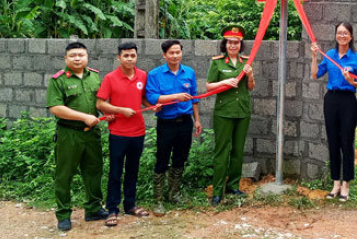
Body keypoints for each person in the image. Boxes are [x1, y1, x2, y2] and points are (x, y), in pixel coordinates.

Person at [96, 42, 161, 227]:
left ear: (136, 57)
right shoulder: (110, 78)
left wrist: (151, 106)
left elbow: (142, 98)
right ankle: (112, 209)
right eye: (126, 56)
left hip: (138, 131)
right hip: (118, 132)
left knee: (133, 170)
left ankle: (130, 205)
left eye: (133, 55)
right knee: (116, 172)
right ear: (119, 57)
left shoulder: (142, 75)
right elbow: (100, 103)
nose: (130, 59)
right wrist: (120, 110)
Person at [46, 42, 109, 232]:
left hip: (92, 134)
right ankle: (64, 215)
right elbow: (56, 108)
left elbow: (101, 102)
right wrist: (84, 117)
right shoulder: (58, 80)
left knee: (94, 171)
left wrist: (109, 112)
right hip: (69, 133)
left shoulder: (95, 76)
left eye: (81, 55)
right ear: (66, 59)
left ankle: (94, 208)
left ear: (87, 57)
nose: (77, 58)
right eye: (72, 55)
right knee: (64, 175)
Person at [310, 21, 357, 202]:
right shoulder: (330, 55)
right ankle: (335, 183)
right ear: (335, 35)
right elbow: (315, 75)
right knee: (333, 141)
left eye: (345, 33)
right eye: (339, 33)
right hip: (331, 100)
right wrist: (313, 56)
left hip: (348, 101)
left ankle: (346, 185)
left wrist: (351, 81)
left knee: (346, 141)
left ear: (351, 36)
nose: (342, 36)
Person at [145, 40, 202, 216]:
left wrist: (197, 120)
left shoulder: (189, 73)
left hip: (185, 122)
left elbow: (194, 99)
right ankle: (158, 200)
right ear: (164, 55)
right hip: (166, 123)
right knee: (162, 159)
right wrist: (174, 96)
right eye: (171, 53)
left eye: (178, 52)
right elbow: (152, 96)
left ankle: (174, 193)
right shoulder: (155, 74)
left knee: (180, 158)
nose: (175, 56)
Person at [206, 26, 255, 206]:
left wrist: (250, 75)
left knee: (238, 150)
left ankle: (233, 186)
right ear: (225, 44)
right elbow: (209, 87)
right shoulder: (217, 62)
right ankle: (217, 191)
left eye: (236, 42)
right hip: (224, 112)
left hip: (242, 111)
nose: (233, 45)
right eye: (229, 42)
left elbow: (250, 87)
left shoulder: (246, 61)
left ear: (240, 44)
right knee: (222, 151)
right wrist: (224, 82)